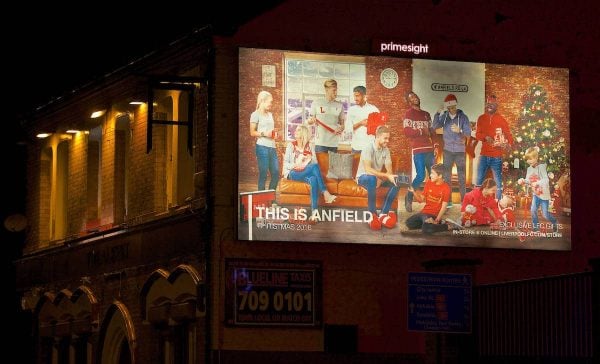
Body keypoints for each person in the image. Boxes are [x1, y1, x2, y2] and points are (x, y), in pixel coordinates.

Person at [282, 125, 337, 221]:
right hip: (293, 173)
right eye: (296, 130)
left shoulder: (310, 145)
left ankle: (314, 214)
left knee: (313, 179)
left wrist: (309, 159)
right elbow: (286, 163)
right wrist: (296, 164)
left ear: (303, 133)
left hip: (306, 172)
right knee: (314, 167)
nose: (295, 131)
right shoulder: (291, 145)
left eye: (298, 130)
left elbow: (315, 162)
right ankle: (325, 192)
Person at [355, 125, 399, 230]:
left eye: (389, 138)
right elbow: (368, 170)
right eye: (385, 138)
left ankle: (383, 214)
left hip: (376, 178)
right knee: (372, 178)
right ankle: (372, 215)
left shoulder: (386, 150)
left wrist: (389, 177)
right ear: (378, 137)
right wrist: (383, 177)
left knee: (398, 181)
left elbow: (389, 171)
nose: (387, 141)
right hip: (363, 177)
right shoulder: (368, 148)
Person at [432, 93, 471, 207]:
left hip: (460, 151)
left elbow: (468, 134)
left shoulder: (463, 117)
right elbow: (434, 127)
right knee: (447, 177)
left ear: (456, 105)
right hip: (448, 150)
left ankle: (464, 201)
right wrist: (437, 113)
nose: (451, 110)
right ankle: (448, 201)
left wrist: (460, 130)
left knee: (462, 177)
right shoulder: (444, 117)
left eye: (453, 107)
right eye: (449, 108)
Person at [403, 91, 438, 212]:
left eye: (415, 96)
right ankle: (409, 195)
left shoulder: (426, 114)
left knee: (435, 176)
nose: (414, 98)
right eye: (411, 97)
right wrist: (422, 131)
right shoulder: (408, 114)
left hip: (429, 149)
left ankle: (433, 201)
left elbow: (432, 132)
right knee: (421, 175)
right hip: (418, 150)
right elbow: (407, 132)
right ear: (409, 102)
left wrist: (436, 145)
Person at [475, 95, 513, 200]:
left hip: (497, 156)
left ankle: (498, 204)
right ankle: (476, 202)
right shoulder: (481, 118)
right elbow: (477, 134)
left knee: (498, 183)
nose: (489, 105)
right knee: (478, 181)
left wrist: (508, 144)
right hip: (484, 155)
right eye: (488, 103)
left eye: (492, 104)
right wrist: (486, 137)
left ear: (496, 106)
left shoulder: (501, 119)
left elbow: (508, 134)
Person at [405, 164, 457, 234]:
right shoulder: (429, 183)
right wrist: (413, 192)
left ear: (440, 176)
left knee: (426, 229)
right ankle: (430, 224)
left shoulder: (446, 188)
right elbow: (420, 200)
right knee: (409, 223)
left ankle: (448, 226)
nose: (430, 175)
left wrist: (437, 220)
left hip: (433, 215)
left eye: (432, 173)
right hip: (423, 213)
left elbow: (444, 207)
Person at [518, 147, 558, 232]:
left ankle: (554, 222)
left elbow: (546, 180)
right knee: (533, 210)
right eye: (527, 159)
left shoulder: (542, 167)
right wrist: (523, 180)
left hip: (544, 195)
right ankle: (536, 228)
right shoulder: (529, 169)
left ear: (536, 158)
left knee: (545, 214)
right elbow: (528, 181)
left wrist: (537, 183)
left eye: (530, 159)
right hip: (536, 194)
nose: (528, 161)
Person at [249, 90, 279, 191]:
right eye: (270, 102)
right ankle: (261, 199)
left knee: (275, 173)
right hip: (262, 147)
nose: (271, 104)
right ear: (262, 101)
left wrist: (274, 133)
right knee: (263, 174)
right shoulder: (255, 114)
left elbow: (270, 130)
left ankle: (271, 198)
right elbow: (252, 132)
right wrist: (265, 133)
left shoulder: (270, 115)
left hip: (272, 147)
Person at [307, 79, 345, 153]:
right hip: (320, 143)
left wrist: (341, 128)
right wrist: (311, 120)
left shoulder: (340, 105)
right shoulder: (316, 103)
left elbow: (342, 125)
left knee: (332, 165)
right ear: (327, 90)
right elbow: (309, 121)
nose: (336, 93)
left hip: (334, 143)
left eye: (336, 90)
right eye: (334, 90)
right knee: (320, 165)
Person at [344, 86, 380, 153]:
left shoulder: (374, 109)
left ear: (364, 96)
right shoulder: (351, 110)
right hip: (356, 147)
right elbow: (348, 129)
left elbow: (379, 128)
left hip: (370, 148)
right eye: (354, 96)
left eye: (357, 96)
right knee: (355, 164)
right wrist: (360, 123)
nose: (355, 99)